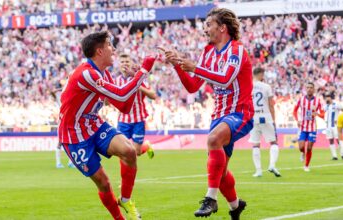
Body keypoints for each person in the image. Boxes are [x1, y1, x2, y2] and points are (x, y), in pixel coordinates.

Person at [159, 7, 254, 219]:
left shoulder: (236, 50)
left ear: (222, 28)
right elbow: (193, 86)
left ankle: (210, 199)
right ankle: (236, 206)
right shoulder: (208, 52)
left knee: (212, 140)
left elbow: (225, 79)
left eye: (209, 24)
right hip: (218, 115)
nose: (205, 29)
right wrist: (177, 65)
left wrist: (194, 68)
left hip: (240, 113)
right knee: (219, 174)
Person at [58, 31, 156, 220]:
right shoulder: (86, 73)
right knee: (103, 183)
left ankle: (126, 199)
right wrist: (143, 71)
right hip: (74, 135)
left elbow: (124, 106)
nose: (114, 49)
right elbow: (120, 96)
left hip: (93, 123)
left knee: (129, 151)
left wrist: (134, 78)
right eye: (110, 45)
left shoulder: (105, 74)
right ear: (99, 51)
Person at [115, 53, 156, 159]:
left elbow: (153, 95)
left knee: (136, 152)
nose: (125, 64)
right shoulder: (116, 81)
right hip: (123, 120)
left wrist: (138, 86)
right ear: (119, 64)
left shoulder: (138, 79)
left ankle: (146, 146)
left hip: (138, 120)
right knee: (121, 150)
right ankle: (126, 174)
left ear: (131, 63)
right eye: (122, 62)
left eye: (127, 62)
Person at [248, 67, 280, 177]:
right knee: (273, 142)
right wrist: (274, 120)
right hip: (265, 116)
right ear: (261, 74)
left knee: (255, 144)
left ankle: (258, 171)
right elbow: (271, 104)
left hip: (253, 117)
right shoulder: (266, 87)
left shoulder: (248, 86)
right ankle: (272, 165)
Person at [293, 82, 324, 172]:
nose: (309, 89)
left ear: (314, 89)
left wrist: (317, 114)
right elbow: (294, 111)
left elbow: (323, 114)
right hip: (302, 127)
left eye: (311, 87)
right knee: (301, 147)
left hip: (312, 128)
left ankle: (306, 166)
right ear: (305, 89)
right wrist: (297, 120)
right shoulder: (301, 99)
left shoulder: (318, 101)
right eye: (308, 87)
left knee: (309, 147)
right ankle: (302, 153)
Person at [50, 86, 74, 169]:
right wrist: (59, 89)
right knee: (60, 143)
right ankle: (58, 163)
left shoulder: (71, 98)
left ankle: (71, 162)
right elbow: (52, 92)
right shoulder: (59, 99)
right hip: (62, 123)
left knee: (71, 142)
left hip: (70, 122)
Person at [323, 92, 343, 160]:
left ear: (331, 98)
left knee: (338, 139)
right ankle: (334, 156)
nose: (327, 98)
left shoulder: (336, 104)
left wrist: (340, 119)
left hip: (336, 125)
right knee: (330, 140)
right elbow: (323, 114)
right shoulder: (325, 106)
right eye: (326, 97)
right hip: (328, 126)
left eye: (328, 97)